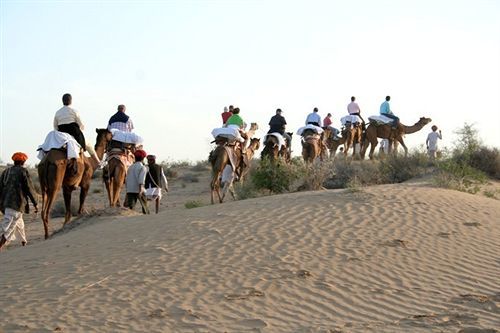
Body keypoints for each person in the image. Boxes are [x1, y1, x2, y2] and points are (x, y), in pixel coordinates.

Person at [0, 152, 39, 250]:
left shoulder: (6, 172)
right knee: (8, 224)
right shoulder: (23, 171)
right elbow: (29, 188)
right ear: (23, 161)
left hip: (5, 202)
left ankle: (23, 241)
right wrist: (35, 203)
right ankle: (1, 243)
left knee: (19, 222)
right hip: (16, 203)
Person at [125, 149, 150, 214]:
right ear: (143, 158)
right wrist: (141, 189)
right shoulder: (143, 167)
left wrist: (127, 190)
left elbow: (127, 179)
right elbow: (141, 180)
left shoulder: (130, 167)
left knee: (131, 208)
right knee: (145, 206)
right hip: (138, 189)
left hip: (130, 189)